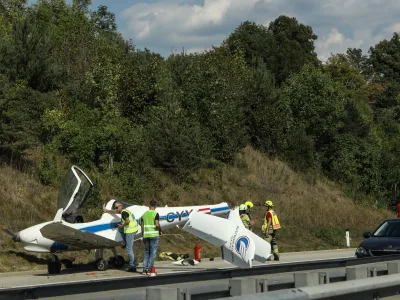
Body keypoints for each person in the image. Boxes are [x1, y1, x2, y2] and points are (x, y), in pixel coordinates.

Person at [103, 201, 139, 272]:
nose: (116, 209)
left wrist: (122, 225)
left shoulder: (124, 213)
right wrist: (107, 211)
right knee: (120, 229)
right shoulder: (124, 211)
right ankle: (125, 243)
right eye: (115, 207)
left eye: (117, 207)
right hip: (133, 229)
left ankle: (132, 266)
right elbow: (115, 212)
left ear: (121, 206)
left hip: (130, 231)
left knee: (129, 250)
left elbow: (127, 221)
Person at [141, 200, 162, 275]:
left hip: (146, 235)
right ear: (155, 207)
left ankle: (144, 269)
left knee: (147, 252)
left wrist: (143, 235)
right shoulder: (155, 213)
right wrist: (160, 230)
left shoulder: (144, 214)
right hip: (154, 235)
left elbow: (142, 226)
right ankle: (149, 269)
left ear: (149, 206)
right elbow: (156, 224)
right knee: (153, 253)